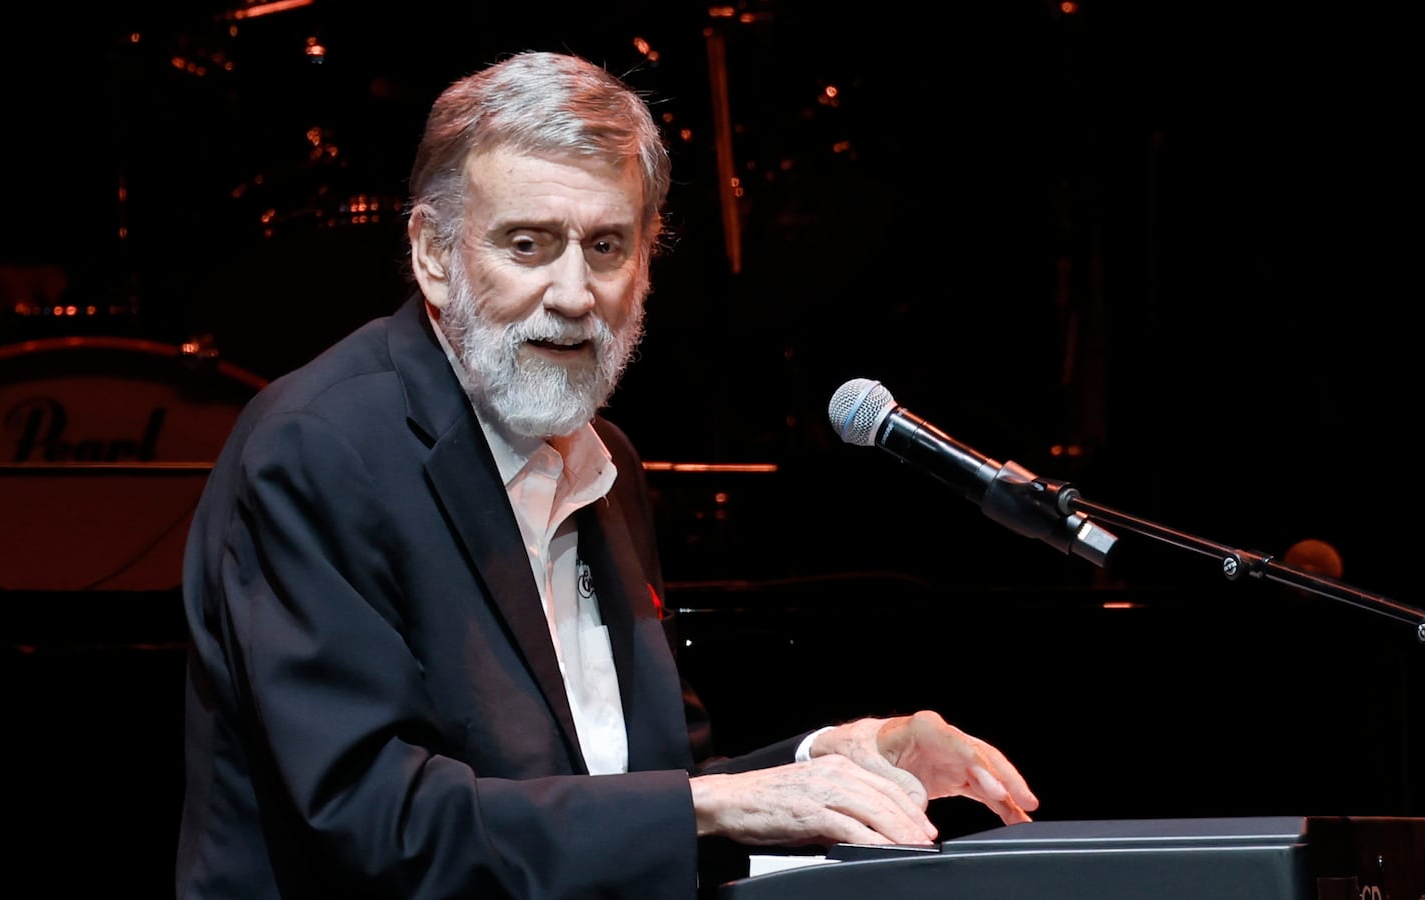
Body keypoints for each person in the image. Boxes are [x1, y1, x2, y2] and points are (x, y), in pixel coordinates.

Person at [176, 49, 1039, 900]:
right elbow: (377, 828)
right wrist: (717, 803)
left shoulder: (606, 462)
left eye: (607, 246)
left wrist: (834, 757)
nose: (575, 293)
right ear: (434, 257)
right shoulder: (320, 448)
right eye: (528, 243)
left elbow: (646, 791)